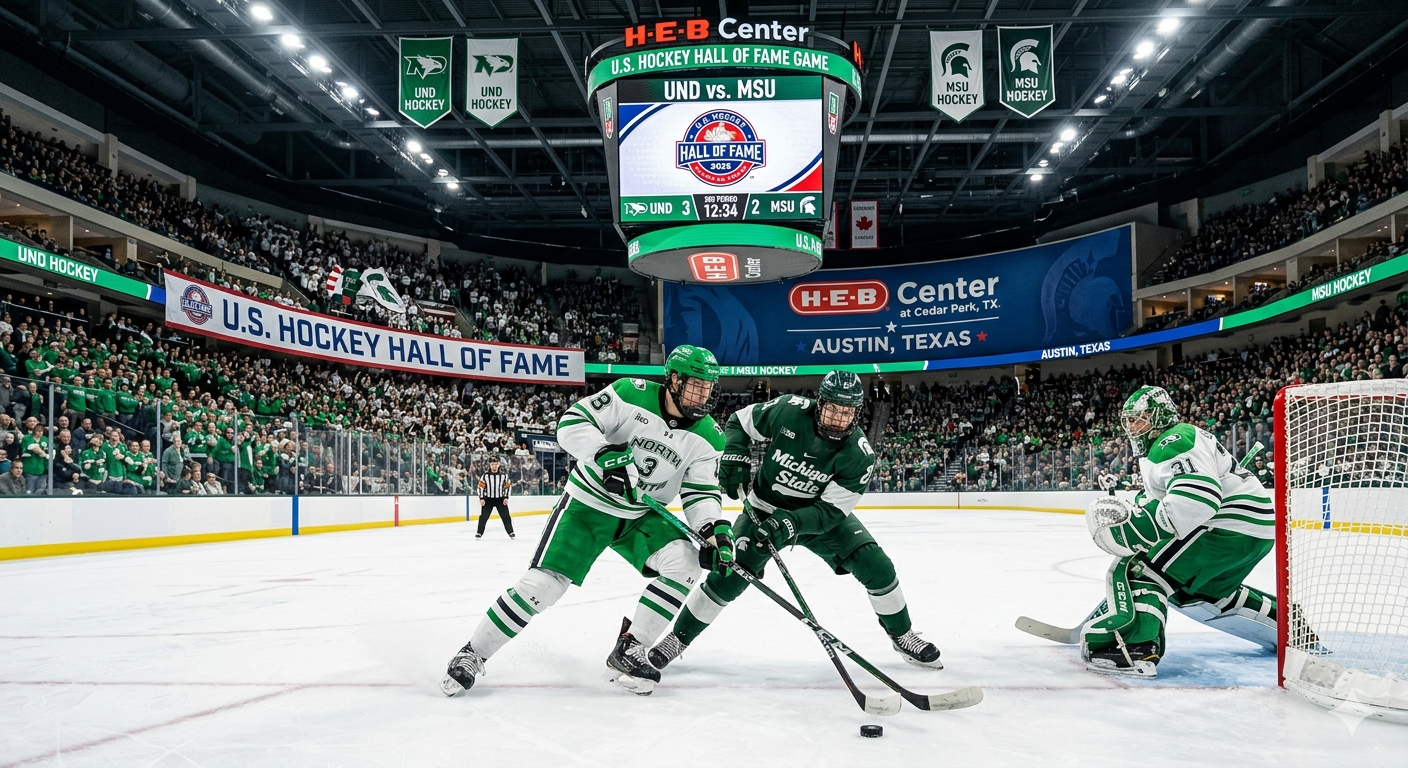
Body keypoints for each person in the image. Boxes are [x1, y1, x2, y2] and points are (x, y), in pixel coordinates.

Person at [441, 345, 729, 697]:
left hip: (640, 516)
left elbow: (701, 493)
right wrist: (606, 455)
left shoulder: (710, 436)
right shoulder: (628, 394)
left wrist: (713, 531)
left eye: (708, 387)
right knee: (543, 586)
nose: (702, 395)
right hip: (588, 506)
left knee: (685, 561)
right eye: (695, 385)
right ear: (672, 379)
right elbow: (571, 423)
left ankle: (631, 647)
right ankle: (473, 652)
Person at [648, 370, 944, 676]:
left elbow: (830, 512)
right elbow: (739, 422)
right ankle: (676, 640)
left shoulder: (859, 454)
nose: (838, 419)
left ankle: (902, 634)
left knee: (877, 566)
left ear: (857, 413)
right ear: (819, 404)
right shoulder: (788, 410)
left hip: (817, 517)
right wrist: (735, 453)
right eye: (832, 409)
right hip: (762, 511)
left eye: (846, 413)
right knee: (728, 573)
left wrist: (789, 523)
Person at [1076, 386, 1276, 677]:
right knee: (1197, 592)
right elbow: (1166, 499)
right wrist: (1143, 515)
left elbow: (1198, 499)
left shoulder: (1173, 439)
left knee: (1144, 571)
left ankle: (1132, 650)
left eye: (1140, 418)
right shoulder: (1175, 442)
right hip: (1250, 531)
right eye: (1130, 420)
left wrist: (1141, 530)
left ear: (1160, 416)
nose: (1133, 427)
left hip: (1224, 527)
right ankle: (1287, 624)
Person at [475, 456, 515, 539]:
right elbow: (480, 487)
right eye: (492, 464)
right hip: (488, 499)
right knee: (483, 517)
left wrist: (506, 497)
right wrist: (481, 498)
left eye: (496, 464)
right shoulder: (485, 476)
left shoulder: (504, 476)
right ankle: (479, 533)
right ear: (490, 465)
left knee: (506, 516)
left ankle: (511, 532)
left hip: (500, 499)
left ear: (499, 465)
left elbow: (507, 486)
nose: (494, 466)